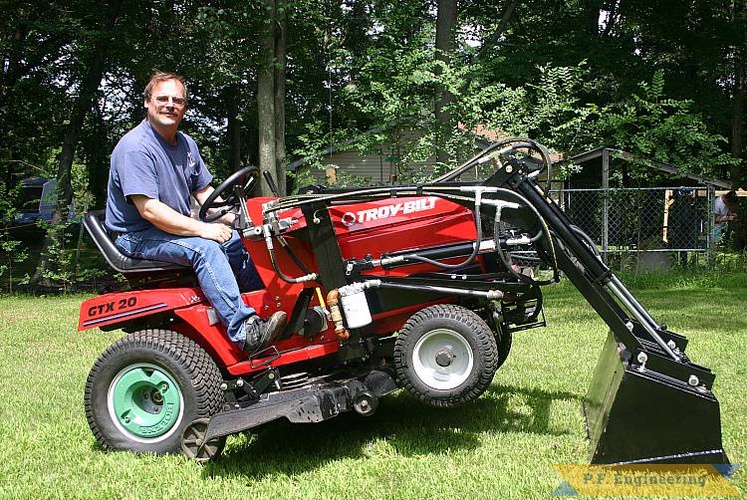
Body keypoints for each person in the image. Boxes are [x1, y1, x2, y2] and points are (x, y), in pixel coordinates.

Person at [105, 71, 286, 355]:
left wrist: (240, 220)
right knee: (206, 249)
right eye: (162, 98)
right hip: (137, 235)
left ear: (184, 108)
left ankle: (265, 311)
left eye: (177, 100)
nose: (169, 105)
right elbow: (149, 210)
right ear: (147, 103)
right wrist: (204, 229)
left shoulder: (186, 143)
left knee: (243, 241)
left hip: (170, 227)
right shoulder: (135, 148)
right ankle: (245, 333)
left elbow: (205, 195)